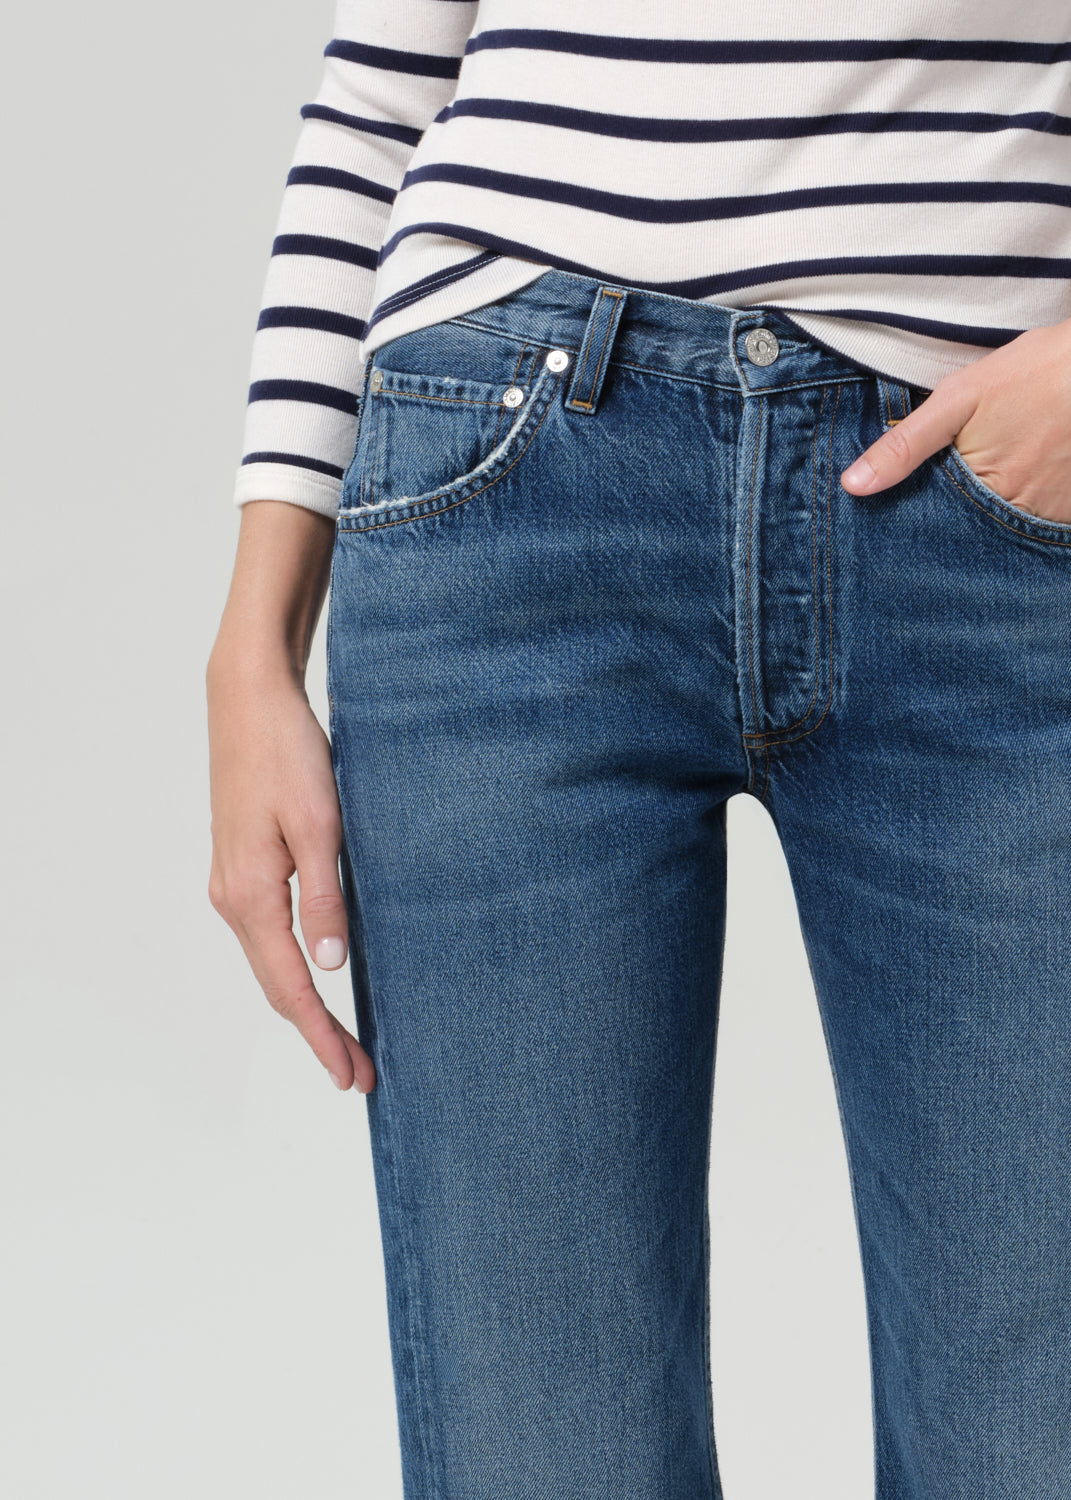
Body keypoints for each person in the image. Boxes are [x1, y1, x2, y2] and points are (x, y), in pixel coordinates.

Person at [207, 5, 1071, 1496]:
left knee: (1034, 1430)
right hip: (506, 480)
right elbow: (375, 105)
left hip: (986, 519)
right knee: (545, 1451)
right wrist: (252, 645)